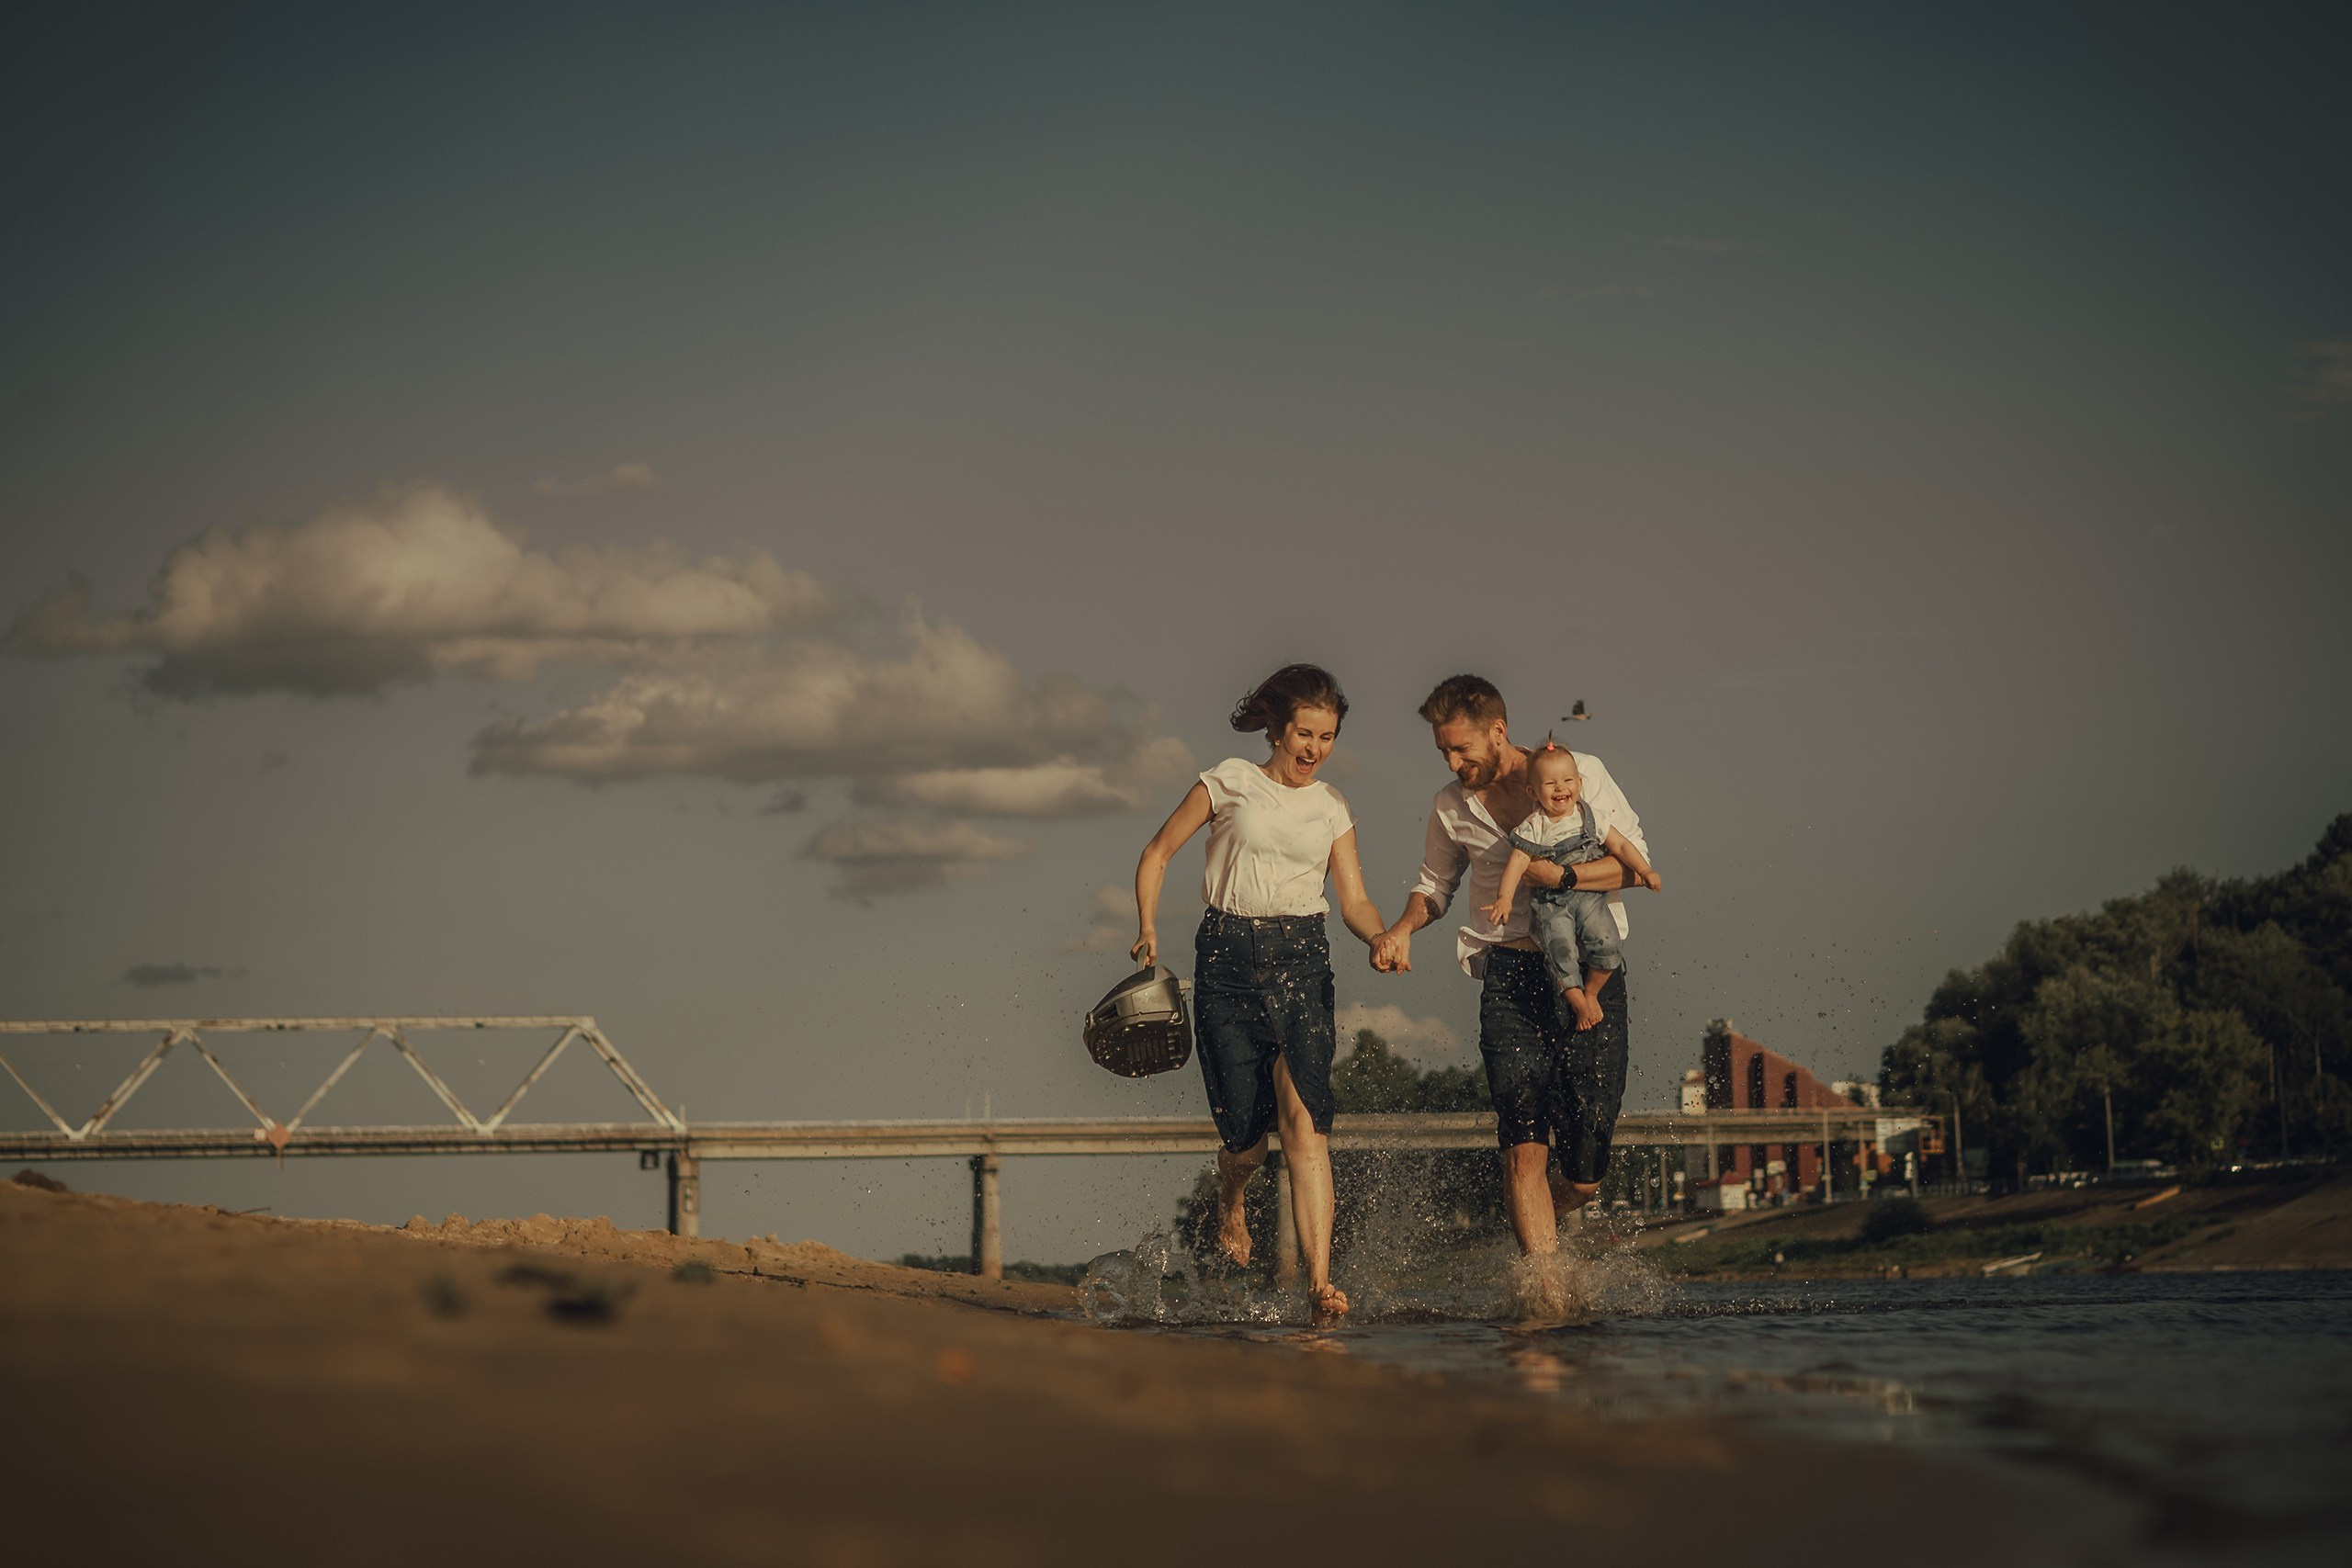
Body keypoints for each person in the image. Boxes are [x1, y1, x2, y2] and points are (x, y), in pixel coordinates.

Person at [1132, 663, 1390, 1316]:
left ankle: (1318, 1282)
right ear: (1276, 729)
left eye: (1327, 737)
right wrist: (1146, 929)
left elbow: (1353, 898)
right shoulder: (1229, 781)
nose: (1315, 749)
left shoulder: (1332, 806)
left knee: (1305, 1120)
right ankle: (1232, 1195)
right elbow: (1159, 851)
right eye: (1305, 733)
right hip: (1225, 959)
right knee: (1247, 1142)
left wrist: (1380, 936)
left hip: (1303, 960)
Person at [1372, 675, 1654, 1260]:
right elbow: (1434, 887)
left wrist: (1563, 878)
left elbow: (1634, 865)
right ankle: (1543, 1297)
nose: (1453, 763)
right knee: (1524, 1144)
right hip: (1510, 979)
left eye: (1461, 749)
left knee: (1583, 1177)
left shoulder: (1579, 773)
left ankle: (1533, 1227)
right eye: (1443, 752)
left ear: (1499, 731)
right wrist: (1401, 927)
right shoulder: (1450, 807)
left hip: (1590, 977)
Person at [1479, 741, 1662, 1032]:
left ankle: (1591, 994)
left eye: (1567, 780)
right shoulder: (1534, 825)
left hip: (1590, 899)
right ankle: (1578, 1003)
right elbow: (1517, 861)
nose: (1560, 788)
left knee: (1608, 942)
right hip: (1552, 905)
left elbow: (1622, 845)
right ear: (1533, 792)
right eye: (1549, 784)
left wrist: (1645, 870)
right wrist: (1504, 899)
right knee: (1560, 952)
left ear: (1579, 783)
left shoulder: (1592, 818)